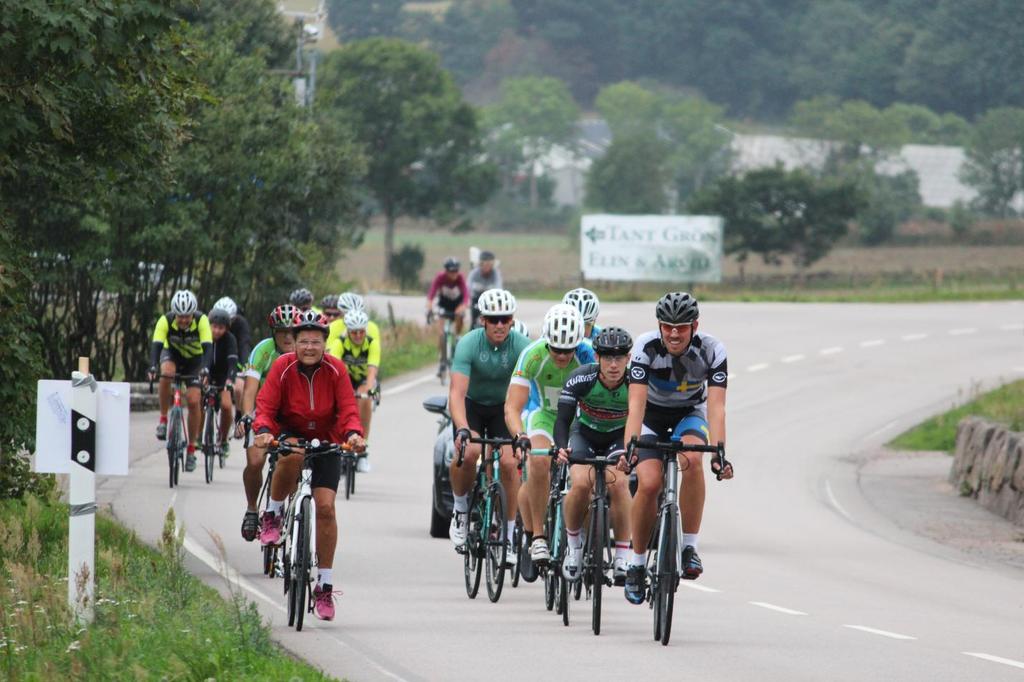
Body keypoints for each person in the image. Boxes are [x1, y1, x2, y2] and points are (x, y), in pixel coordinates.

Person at [620, 292, 733, 606]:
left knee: (694, 461)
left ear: (695, 326)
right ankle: (637, 564)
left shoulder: (712, 350)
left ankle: (688, 547)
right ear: (659, 325)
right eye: (667, 326)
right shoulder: (644, 347)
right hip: (651, 418)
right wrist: (630, 447)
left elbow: (717, 407)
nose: (673, 333)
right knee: (650, 483)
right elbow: (635, 404)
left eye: (681, 327)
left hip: (689, 415)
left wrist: (719, 452)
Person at [253, 310, 365, 621]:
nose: (309, 347)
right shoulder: (282, 367)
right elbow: (266, 406)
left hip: (327, 442)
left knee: (326, 509)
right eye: (303, 341)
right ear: (295, 343)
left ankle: (324, 587)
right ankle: (272, 514)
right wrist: (263, 430)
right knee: (293, 454)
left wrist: (354, 434)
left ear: (325, 344)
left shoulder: (337, 371)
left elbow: (348, 411)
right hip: (291, 436)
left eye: (316, 341)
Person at [505, 304, 589, 573]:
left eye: (569, 349)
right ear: (546, 341)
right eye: (556, 349)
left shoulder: (588, 354)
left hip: (577, 421)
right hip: (545, 417)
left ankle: (582, 537)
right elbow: (512, 407)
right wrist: (519, 436)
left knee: (587, 477)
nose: (563, 355)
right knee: (537, 463)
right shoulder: (532, 354)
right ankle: (538, 536)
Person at [447, 289, 530, 560]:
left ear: (512, 320)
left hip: (503, 410)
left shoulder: (521, 345)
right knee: (468, 452)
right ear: (483, 320)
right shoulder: (468, 344)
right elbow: (457, 395)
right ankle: (460, 510)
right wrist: (461, 428)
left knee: (508, 462)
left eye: (505, 319)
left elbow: (529, 394)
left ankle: (506, 536)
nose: (499, 325)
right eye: (493, 319)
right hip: (472, 407)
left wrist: (522, 431)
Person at [554, 327, 634, 584]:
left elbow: (644, 423)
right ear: (597, 358)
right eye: (607, 357)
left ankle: (622, 555)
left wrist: (634, 454)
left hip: (617, 438)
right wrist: (560, 447)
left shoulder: (636, 383)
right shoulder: (580, 378)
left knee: (620, 483)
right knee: (579, 484)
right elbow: (563, 420)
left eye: (619, 357)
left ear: (628, 358)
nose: (613, 364)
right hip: (584, 435)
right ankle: (575, 546)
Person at [238, 304, 298, 542]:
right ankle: (253, 508)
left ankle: (291, 512)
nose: (287, 336)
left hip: (293, 417)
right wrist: (247, 414)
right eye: (281, 331)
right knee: (255, 461)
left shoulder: (304, 351)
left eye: (291, 330)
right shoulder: (263, 351)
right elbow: (250, 389)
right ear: (274, 332)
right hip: (264, 414)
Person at [147, 290, 213, 472]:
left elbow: (208, 349)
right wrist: (152, 366)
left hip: (195, 361)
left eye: (187, 317)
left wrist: (206, 369)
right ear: (174, 314)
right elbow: (156, 346)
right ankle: (163, 419)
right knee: (166, 372)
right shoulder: (165, 321)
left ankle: (191, 449)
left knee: (193, 401)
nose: (183, 320)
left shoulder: (202, 321)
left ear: (193, 314)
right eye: (180, 316)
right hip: (173, 356)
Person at [327, 309, 380, 473]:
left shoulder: (372, 343)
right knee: (339, 405)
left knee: (365, 399)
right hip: (344, 379)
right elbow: (334, 371)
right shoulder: (339, 343)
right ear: (348, 331)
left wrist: (370, 390)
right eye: (354, 332)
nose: (358, 335)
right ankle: (340, 446)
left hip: (363, 379)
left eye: (361, 332)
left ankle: (363, 452)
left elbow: (372, 371)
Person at [207, 308, 239, 454]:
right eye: (214, 327)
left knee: (226, 406)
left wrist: (230, 380)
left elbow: (233, 362)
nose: (217, 331)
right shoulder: (204, 337)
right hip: (206, 373)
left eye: (221, 328)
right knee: (199, 400)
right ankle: (197, 440)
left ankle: (224, 439)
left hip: (223, 376)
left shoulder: (230, 339)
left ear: (226, 328)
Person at [426, 257, 469, 365]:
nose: (454, 274)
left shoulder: (460, 278)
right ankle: (441, 355)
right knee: (441, 332)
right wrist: (429, 305)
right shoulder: (440, 277)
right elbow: (432, 292)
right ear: (446, 271)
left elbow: (466, 295)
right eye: (451, 271)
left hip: (457, 305)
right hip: (444, 304)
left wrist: (463, 306)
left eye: (456, 271)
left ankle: (457, 336)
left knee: (460, 316)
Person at [212, 296, 250, 416]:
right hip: (217, 360)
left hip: (235, 360)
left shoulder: (241, 324)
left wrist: (244, 366)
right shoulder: (209, 327)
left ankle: (239, 413)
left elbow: (244, 345)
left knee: (238, 388)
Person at [467, 251, 503, 328]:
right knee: (474, 320)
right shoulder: (474, 273)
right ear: (480, 264)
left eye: (490, 265)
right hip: (476, 298)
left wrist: (499, 302)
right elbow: (468, 287)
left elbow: (499, 288)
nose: (487, 267)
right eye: (485, 264)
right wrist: (468, 300)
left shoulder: (496, 274)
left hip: (490, 299)